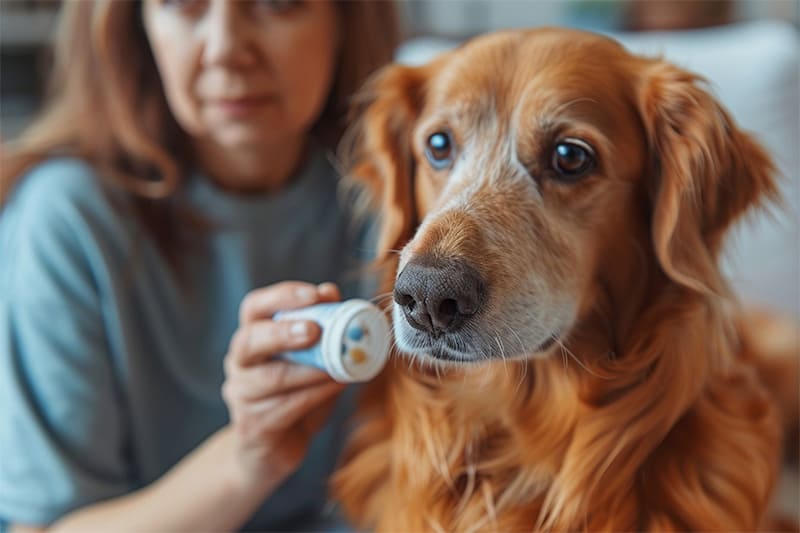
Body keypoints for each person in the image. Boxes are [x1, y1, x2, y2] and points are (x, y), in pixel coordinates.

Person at [0, 0, 400, 531]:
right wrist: (247, 460)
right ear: (136, 28)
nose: (227, 51)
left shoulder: (392, 206)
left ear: (345, 20)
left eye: (277, 4)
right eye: (183, 5)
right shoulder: (68, 221)